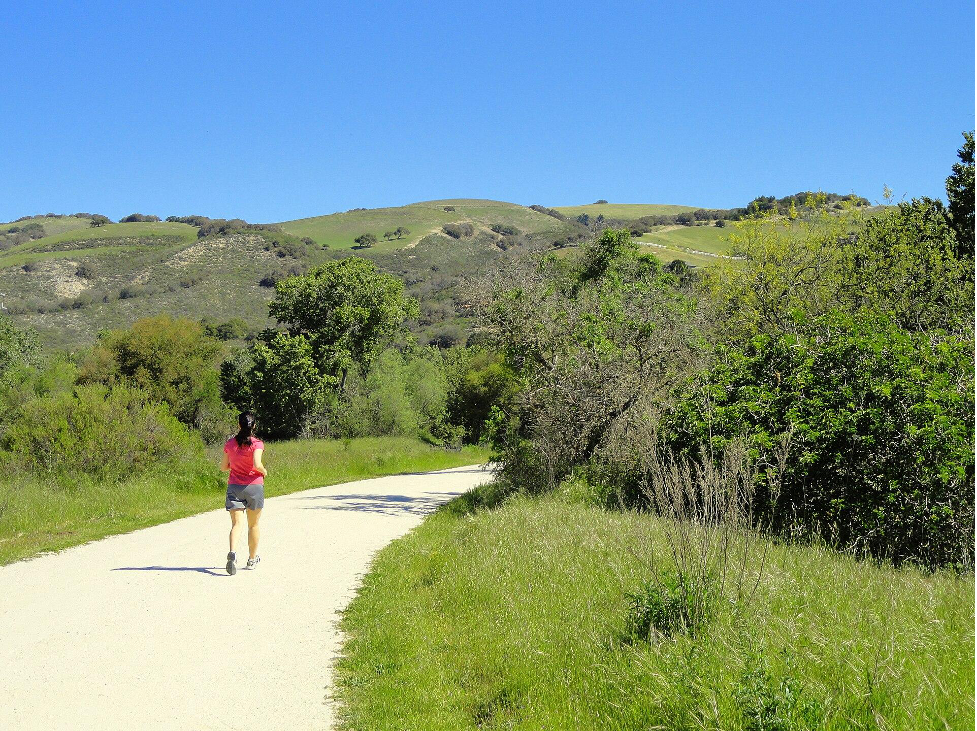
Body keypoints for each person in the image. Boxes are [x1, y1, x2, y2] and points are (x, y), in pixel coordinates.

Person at [220, 412, 267, 575]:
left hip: (234, 487)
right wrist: (264, 471)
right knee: (253, 525)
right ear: (254, 426)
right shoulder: (257, 444)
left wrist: (235, 465)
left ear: (239, 425)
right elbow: (256, 463)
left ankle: (232, 553)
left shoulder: (230, 444)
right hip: (254, 486)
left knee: (236, 524)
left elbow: (223, 467)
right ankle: (252, 559)